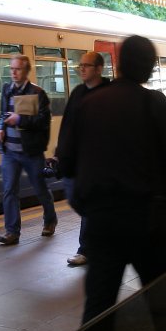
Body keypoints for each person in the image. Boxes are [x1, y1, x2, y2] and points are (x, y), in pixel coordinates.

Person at [62, 35, 166, 323]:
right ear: (148, 67)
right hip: (146, 220)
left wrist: (83, 203)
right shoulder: (155, 103)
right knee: (162, 300)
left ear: (120, 64)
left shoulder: (89, 103)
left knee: (98, 308)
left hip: (101, 222)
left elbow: (66, 160)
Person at [0, 54, 57, 245]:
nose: (13, 72)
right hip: (9, 152)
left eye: (17, 69)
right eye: (11, 69)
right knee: (9, 190)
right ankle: (12, 231)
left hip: (31, 151)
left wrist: (20, 119)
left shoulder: (37, 93)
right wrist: (0, 128)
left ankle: (50, 219)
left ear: (26, 71)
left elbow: (43, 121)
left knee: (40, 188)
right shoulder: (7, 90)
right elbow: (3, 115)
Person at [55, 51, 110, 266]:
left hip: (98, 163)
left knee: (90, 205)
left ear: (98, 69)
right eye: (81, 65)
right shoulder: (78, 93)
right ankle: (95, 243)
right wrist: (60, 153)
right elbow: (67, 126)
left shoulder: (108, 93)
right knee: (85, 204)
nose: (82, 69)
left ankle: (87, 248)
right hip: (77, 162)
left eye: (87, 65)